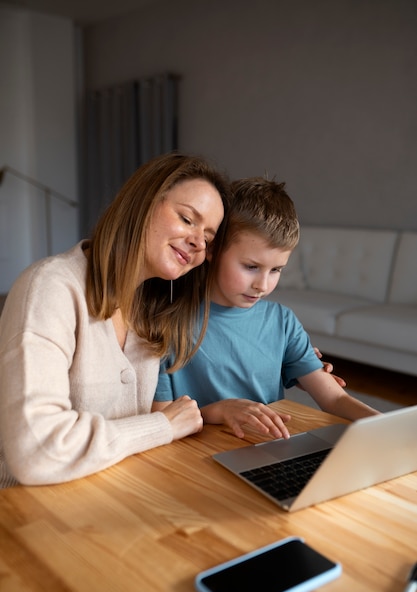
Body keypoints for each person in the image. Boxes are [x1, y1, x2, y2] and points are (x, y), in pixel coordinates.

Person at [0, 152, 231, 488]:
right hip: (27, 513)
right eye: (186, 218)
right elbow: (36, 451)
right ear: (143, 202)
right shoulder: (50, 287)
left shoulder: (150, 312)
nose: (198, 242)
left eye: (208, 238)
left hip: (113, 496)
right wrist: (161, 425)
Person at [153, 176, 379, 439]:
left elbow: (335, 400)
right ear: (212, 248)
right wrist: (219, 411)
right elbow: (163, 419)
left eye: (276, 270)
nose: (262, 285)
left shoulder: (282, 322)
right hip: (194, 455)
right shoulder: (166, 323)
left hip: (266, 451)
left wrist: (390, 425)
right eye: (251, 267)